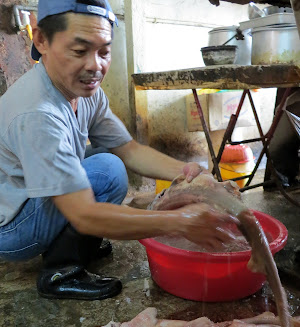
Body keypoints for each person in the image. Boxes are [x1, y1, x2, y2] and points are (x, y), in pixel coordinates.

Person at [0, 0, 238, 301]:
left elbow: (129, 148)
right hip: (11, 228)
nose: (95, 65)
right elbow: (85, 214)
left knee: (109, 162)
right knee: (106, 173)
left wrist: (185, 172)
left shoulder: (84, 91)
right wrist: (181, 222)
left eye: (104, 51)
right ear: (42, 40)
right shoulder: (37, 113)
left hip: (28, 199)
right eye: (79, 50)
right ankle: (60, 272)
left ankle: (74, 242)